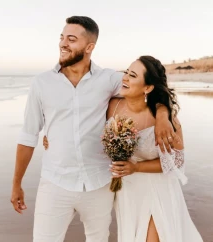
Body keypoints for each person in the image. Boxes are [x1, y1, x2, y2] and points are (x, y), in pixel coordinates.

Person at [10, 16, 175, 242]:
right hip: (55, 183)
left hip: (99, 183)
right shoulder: (41, 83)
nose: (63, 44)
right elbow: (28, 136)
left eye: (71, 39)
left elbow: (147, 88)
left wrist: (163, 114)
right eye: (61, 38)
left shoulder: (108, 79)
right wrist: (16, 183)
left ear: (89, 47)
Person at [107, 56, 203, 242]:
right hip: (127, 191)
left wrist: (136, 167)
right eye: (126, 72)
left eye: (132, 75)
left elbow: (176, 161)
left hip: (158, 190)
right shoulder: (112, 106)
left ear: (148, 88)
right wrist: (49, 137)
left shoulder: (167, 122)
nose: (125, 77)